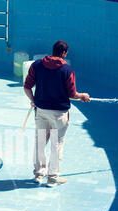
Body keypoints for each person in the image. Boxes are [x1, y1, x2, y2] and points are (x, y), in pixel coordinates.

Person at [24, 40, 90, 187]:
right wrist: (83, 96)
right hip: (59, 114)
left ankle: (38, 174)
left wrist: (33, 100)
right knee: (56, 144)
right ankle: (52, 178)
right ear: (64, 53)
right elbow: (72, 94)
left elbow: (27, 86)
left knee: (40, 142)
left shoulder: (37, 65)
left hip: (41, 111)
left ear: (53, 50)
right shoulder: (67, 70)